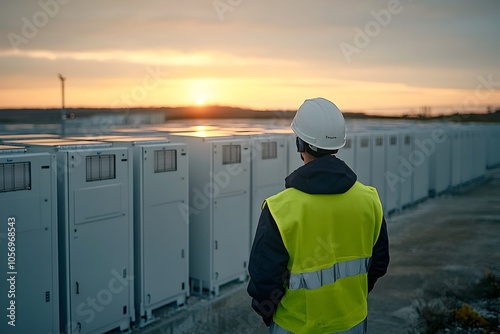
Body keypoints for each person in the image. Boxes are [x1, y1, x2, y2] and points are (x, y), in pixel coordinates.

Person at [247, 97, 390, 334]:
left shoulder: (280, 209)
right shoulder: (369, 199)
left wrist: (270, 315)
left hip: (295, 326)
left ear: (299, 144)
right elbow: (379, 263)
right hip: (352, 322)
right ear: (337, 145)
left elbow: (264, 280)